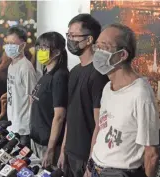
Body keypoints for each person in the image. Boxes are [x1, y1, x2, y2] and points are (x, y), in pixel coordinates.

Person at [89, 23, 160, 177]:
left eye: (105, 47)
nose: (98, 52)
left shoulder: (140, 93)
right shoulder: (108, 88)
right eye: (97, 46)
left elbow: (152, 153)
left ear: (122, 55)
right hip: (96, 168)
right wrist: (90, 166)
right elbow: (101, 129)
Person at [57, 14, 109, 177]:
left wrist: (91, 162)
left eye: (74, 36)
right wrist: (63, 148)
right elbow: (71, 115)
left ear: (89, 40)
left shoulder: (98, 74)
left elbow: (99, 124)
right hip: (70, 152)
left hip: (85, 157)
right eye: (68, 35)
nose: (70, 40)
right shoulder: (74, 72)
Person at [30, 32, 69, 168]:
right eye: (39, 47)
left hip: (49, 144)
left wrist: (51, 149)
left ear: (57, 52)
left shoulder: (59, 77)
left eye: (44, 48)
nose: (40, 51)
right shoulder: (46, 73)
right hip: (37, 140)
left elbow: (59, 116)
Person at [1, 26, 37, 148]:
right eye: (7, 43)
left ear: (22, 45)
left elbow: (33, 97)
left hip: (23, 130)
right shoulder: (12, 65)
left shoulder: (26, 68)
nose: (9, 46)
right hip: (12, 124)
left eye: (13, 43)